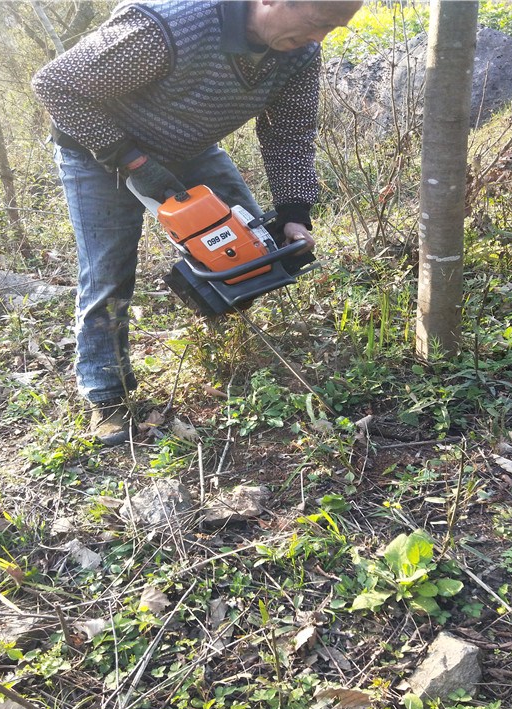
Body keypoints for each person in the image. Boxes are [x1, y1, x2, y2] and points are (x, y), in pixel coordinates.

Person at [32, 0, 362, 445]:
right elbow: (55, 84)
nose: (321, 37)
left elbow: (290, 132)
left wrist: (294, 212)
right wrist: (131, 160)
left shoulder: (298, 53)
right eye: (318, 22)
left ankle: (229, 342)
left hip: (189, 146)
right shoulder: (172, 25)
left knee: (253, 246)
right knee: (108, 271)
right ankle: (106, 396)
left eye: (333, 28)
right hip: (97, 151)